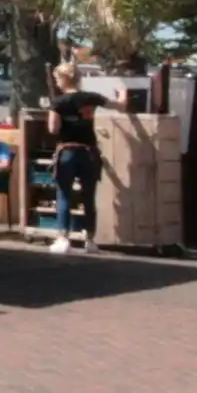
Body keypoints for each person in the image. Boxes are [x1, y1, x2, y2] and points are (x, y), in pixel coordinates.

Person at [49, 62, 124, 254]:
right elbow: (120, 106)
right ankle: (90, 240)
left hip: (67, 151)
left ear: (63, 79)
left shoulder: (58, 102)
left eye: (57, 79)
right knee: (89, 197)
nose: (57, 83)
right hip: (89, 153)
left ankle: (63, 239)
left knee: (64, 195)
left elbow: (53, 129)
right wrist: (122, 92)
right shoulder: (92, 98)